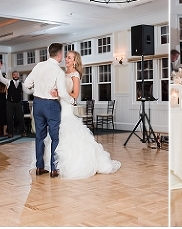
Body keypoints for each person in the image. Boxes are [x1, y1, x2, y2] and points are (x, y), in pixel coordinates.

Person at [39, 51, 121, 179]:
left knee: (66, 133)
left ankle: (68, 165)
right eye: (66, 57)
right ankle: (53, 165)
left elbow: (75, 95)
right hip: (56, 106)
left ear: (75, 61)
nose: (66, 59)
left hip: (66, 108)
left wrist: (60, 94)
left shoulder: (75, 75)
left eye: (69, 57)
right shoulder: (61, 73)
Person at [22, 43, 76, 178]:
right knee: (54, 137)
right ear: (59, 55)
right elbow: (63, 93)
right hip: (51, 106)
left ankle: (39, 167)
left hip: (37, 104)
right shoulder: (58, 71)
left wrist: (38, 90)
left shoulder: (38, 66)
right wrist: (72, 101)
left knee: (39, 137)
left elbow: (27, 84)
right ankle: (54, 168)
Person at [0, 64, 26, 138]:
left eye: (17, 75)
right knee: (9, 118)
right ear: (12, 76)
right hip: (10, 103)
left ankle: (23, 132)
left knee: (21, 118)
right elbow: (0, 78)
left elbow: (29, 90)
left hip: (18, 103)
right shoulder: (8, 82)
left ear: (19, 76)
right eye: (14, 75)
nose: (15, 76)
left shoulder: (22, 84)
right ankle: (10, 133)